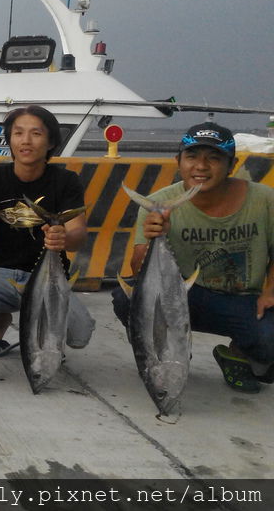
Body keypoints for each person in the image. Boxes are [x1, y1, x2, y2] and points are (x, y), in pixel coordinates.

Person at [112, 122, 274, 393]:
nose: (201, 166)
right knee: (126, 298)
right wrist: (154, 237)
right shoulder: (157, 204)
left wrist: (271, 289)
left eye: (213, 158)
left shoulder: (265, 200)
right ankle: (169, 352)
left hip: (245, 300)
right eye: (192, 157)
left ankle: (235, 354)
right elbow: (139, 270)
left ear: (232, 165)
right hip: (186, 297)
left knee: (270, 343)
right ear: (178, 162)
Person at [0, 105, 95, 356]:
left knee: (79, 334)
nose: (26, 141)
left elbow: (78, 236)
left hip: (49, 278)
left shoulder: (66, 181)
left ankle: (41, 331)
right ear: (10, 139)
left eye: (36, 133)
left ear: (50, 143)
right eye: (18, 133)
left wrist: (64, 238)